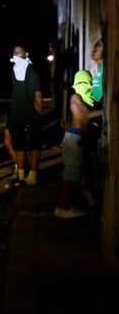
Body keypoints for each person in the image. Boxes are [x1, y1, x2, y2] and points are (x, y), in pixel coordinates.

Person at [56, 70, 103, 218]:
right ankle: (64, 207)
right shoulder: (75, 97)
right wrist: (106, 109)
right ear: (76, 84)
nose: (83, 86)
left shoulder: (84, 98)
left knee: (71, 176)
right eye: (80, 83)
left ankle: (65, 206)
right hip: (74, 138)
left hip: (76, 138)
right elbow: (86, 115)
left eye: (86, 83)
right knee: (70, 177)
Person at [5, 45, 43, 187]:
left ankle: (32, 175)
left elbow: (38, 95)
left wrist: (38, 114)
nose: (15, 55)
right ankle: (21, 175)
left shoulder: (31, 72)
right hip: (16, 114)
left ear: (26, 54)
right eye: (14, 52)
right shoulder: (14, 70)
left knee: (34, 144)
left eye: (18, 52)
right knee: (18, 145)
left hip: (30, 115)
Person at [90, 38, 104, 105]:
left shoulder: (104, 69)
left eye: (95, 51)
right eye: (92, 50)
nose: (92, 52)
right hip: (93, 100)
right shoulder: (93, 67)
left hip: (100, 101)